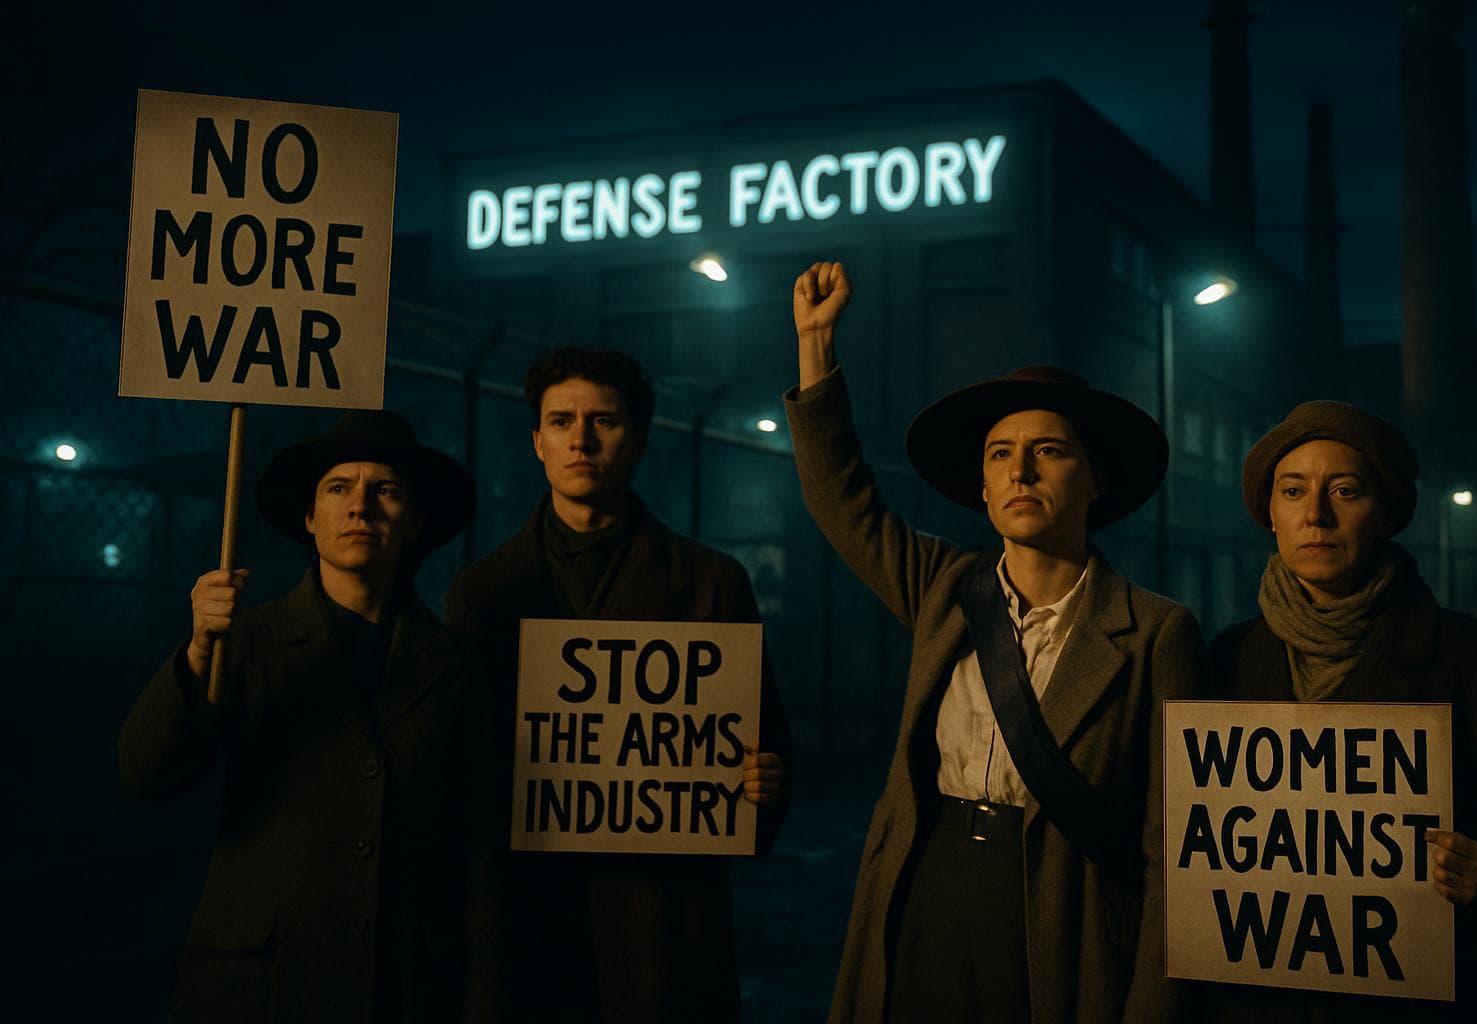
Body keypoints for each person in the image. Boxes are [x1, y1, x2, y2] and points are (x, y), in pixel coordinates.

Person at [785, 261, 1202, 1023]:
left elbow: (1171, 846)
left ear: (1095, 481)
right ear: (981, 487)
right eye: (1000, 453)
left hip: (1060, 902)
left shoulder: (1155, 632)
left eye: (1049, 450)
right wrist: (815, 347)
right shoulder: (945, 586)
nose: (1020, 469)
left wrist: (1152, 1005)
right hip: (930, 879)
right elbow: (842, 501)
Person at [445, 345, 791, 1023]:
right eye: (562, 420)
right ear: (537, 440)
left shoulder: (712, 583)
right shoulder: (480, 593)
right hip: (529, 921)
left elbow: (763, 748)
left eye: (602, 420)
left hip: (662, 924)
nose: (581, 437)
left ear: (636, 438)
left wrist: (763, 783)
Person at [118, 410, 500, 1024]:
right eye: (337, 488)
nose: (360, 507)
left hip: (401, 986)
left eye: (386, 490)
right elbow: (145, 771)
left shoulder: (456, 667)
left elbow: (478, 854)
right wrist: (195, 655)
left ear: (416, 522)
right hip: (260, 987)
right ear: (308, 518)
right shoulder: (246, 641)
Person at [1202, 400, 1477, 1022]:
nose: (1316, 515)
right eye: (1293, 491)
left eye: (1346, 491)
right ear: (1269, 514)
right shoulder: (1223, 660)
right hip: (1259, 1000)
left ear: (1384, 512)